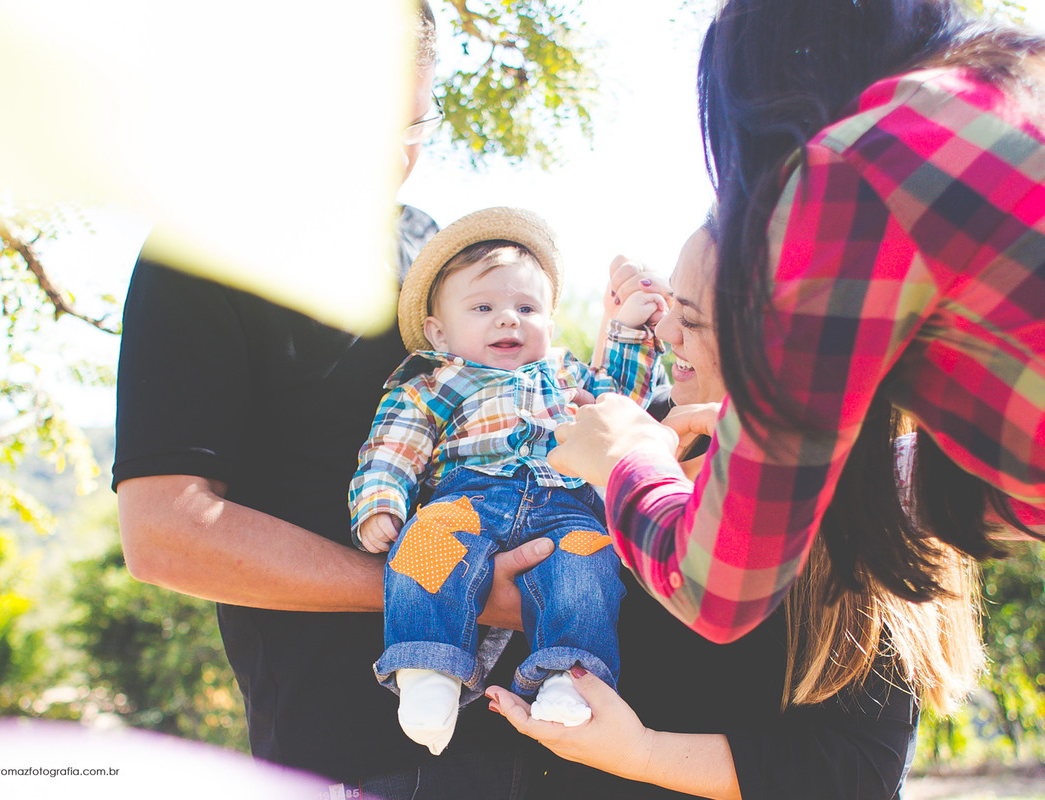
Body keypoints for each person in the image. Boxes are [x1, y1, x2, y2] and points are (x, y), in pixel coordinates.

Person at [112, 5, 551, 797]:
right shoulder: (201, 249)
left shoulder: (436, 250)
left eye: (415, 126)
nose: (396, 164)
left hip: (542, 746)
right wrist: (448, 591)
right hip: (363, 766)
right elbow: (165, 532)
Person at [547, 0, 1045, 646]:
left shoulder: (853, 173)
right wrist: (773, 464)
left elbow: (714, 587)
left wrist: (624, 455)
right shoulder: (1038, 86)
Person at [491, 219, 984, 799]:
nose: (667, 329)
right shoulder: (662, 430)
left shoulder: (858, 506)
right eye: (670, 301)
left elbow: (857, 770)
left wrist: (643, 752)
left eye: (692, 318)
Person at [349, 206, 666, 756]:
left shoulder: (565, 373)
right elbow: (393, 445)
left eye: (526, 307)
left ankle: (570, 678)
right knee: (425, 545)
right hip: (469, 496)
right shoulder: (436, 380)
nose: (507, 320)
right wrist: (379, 502)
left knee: (587, 563)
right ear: (438, 331)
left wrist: (629, 331)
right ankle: (426, 668)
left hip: (563, 501)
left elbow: (619, 405)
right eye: (483, 307)